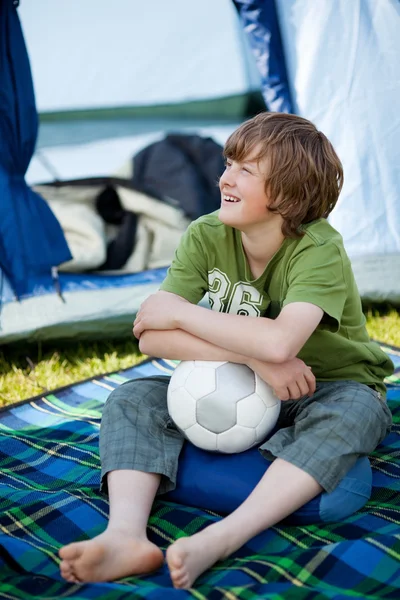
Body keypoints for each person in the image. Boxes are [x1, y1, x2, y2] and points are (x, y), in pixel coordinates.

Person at [58, 112, 394, 589]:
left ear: (288, 194)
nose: (224, 178)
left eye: (245, 170)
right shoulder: (205, 233)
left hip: (327, 387)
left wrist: (180, 314)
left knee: (359, 409)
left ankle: (224, 536)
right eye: (228, 163)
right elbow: (150, 336)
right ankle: (125, 537)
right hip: (247, 380)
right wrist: (252, 359)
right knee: (131, 398)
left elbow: (280, 341)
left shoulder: (318, 248)